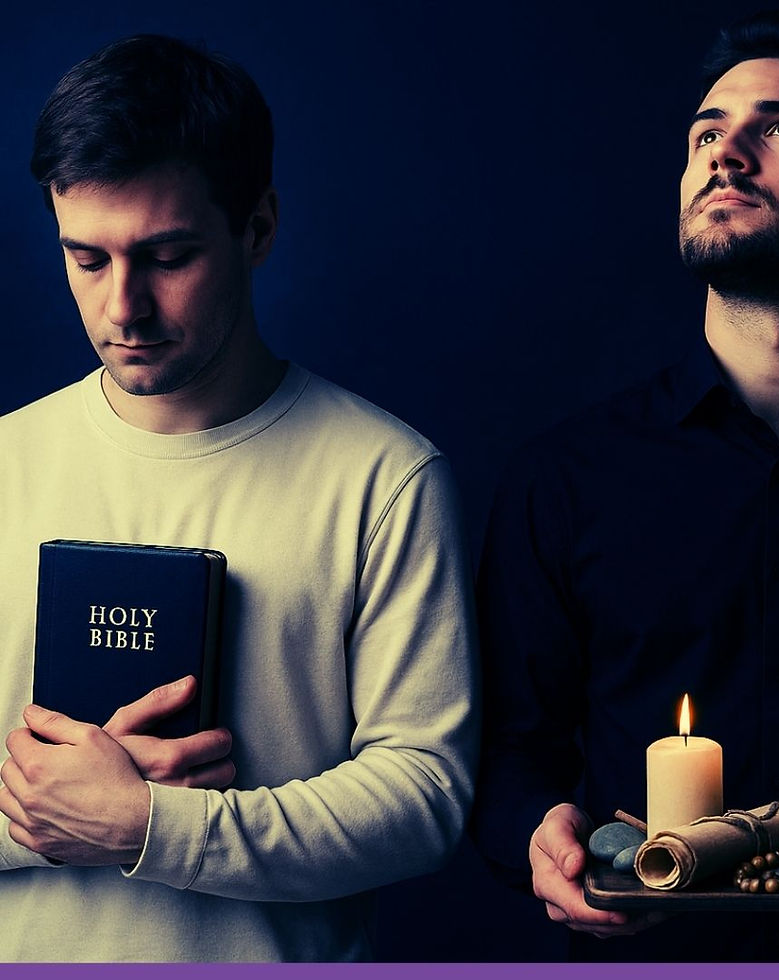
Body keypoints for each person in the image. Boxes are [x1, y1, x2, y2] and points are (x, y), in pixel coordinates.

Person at [471, 9, 779, 961]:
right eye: (707, 133)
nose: (727, 155)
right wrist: (537, 835)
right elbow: (507, 755)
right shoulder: (565, 477)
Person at [0, 35, 478, 962]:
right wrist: (52, 814)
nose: (123, 308)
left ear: (257, 229)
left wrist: (152, 827)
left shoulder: (387, 478)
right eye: (87, 259)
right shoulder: (4, 461)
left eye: (167, 256)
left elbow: (425, 796)